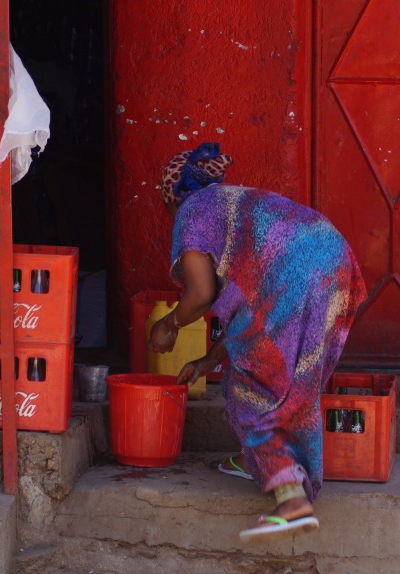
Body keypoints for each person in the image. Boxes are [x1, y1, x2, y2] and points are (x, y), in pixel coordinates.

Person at [148, 142, 366, 543]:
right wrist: (205, 362)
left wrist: (169, 324)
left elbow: (199, 294)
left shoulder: (191, 212)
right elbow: (242, 320)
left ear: (173, 196)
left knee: (254, 388)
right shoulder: (231, 205)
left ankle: (291, 496)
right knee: (291, 379)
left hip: (292, 275)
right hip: (334, 258)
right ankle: (262, 463)